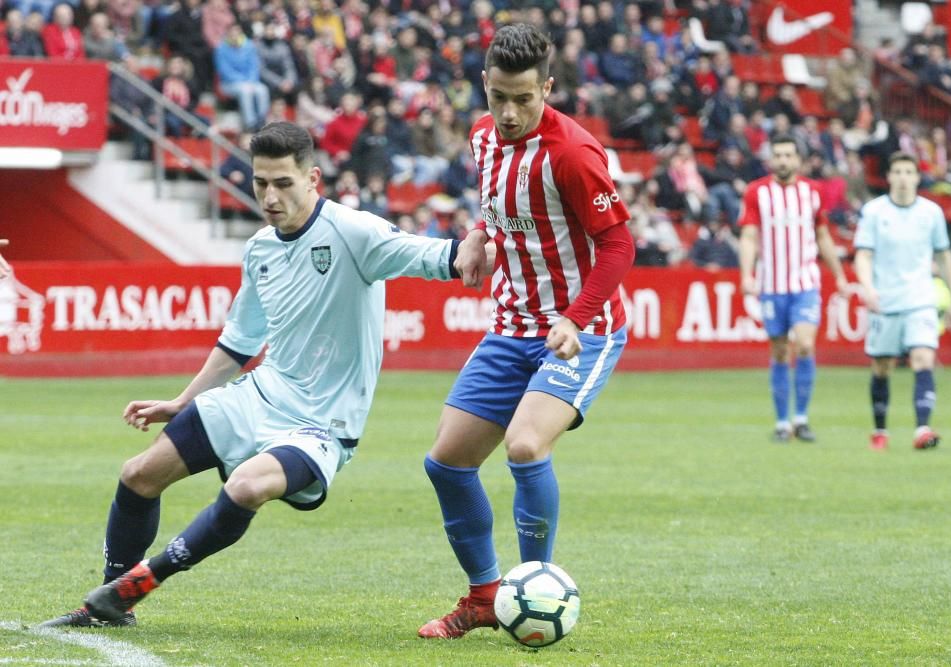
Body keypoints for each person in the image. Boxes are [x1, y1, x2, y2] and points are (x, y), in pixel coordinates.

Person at [39, 122, 480, 628]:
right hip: (262, 395)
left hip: (322, 426)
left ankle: (142, 580)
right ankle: (107, 605)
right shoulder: (260, 249)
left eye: (283, 183)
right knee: (138, 474)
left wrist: (474, 244)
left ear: (313, 177)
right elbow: (239, 343)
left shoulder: (354, 232)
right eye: (260, 183)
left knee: (247, 487)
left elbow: (435, 256)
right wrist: (182, 401)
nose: (270, 196)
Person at [417, 23, 634, 640]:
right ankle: (486, 598)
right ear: (484, 86)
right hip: (511, 325)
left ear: (548, 87)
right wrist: (480, 237)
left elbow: (618, 245)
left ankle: (535, 583)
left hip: (582, 330)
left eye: (524, 99)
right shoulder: (484, 137)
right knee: (447, 463)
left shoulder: (574, 153)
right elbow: (492, 204)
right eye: (498, 98)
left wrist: (575, 316)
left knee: (525, 446)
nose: (509, 114)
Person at [738, 136, 849, 443]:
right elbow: (748, 237)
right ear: (771, 160)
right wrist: (746, 274)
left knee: (804, 344)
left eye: (788, 155)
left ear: (798, 160)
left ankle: (801, 418)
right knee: (778, 349)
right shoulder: (756, 192)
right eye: (778, 155)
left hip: (805, 283)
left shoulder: (813, 192)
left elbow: (823, 235)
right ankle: (781, 422)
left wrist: (838, 274)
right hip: (772, 285)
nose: (783, 160)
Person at [854, 152, 951, 452]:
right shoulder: (874, 212)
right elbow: (863, 254)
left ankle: (922, 429)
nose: (902, 177)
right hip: (885, 300)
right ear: (889, 177)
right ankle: (880, 431)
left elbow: (943, 255)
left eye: (908, 172)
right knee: (882, 366)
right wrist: (867, 287)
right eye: (897, 171)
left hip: (920, 298)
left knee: (923, 358)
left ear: (917, 177)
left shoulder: (931, 213)